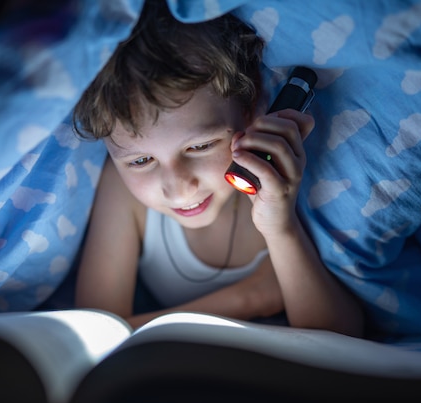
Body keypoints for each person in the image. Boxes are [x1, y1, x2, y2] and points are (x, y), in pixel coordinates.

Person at [72, 0, 363, 336]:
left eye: (199, 146)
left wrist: (280, 229)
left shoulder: (284, 184)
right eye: (140, 160)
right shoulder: (122, 191)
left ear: (252, 109)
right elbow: (93, 334)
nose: (178, 187)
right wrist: (250, 298)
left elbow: (342, 337)